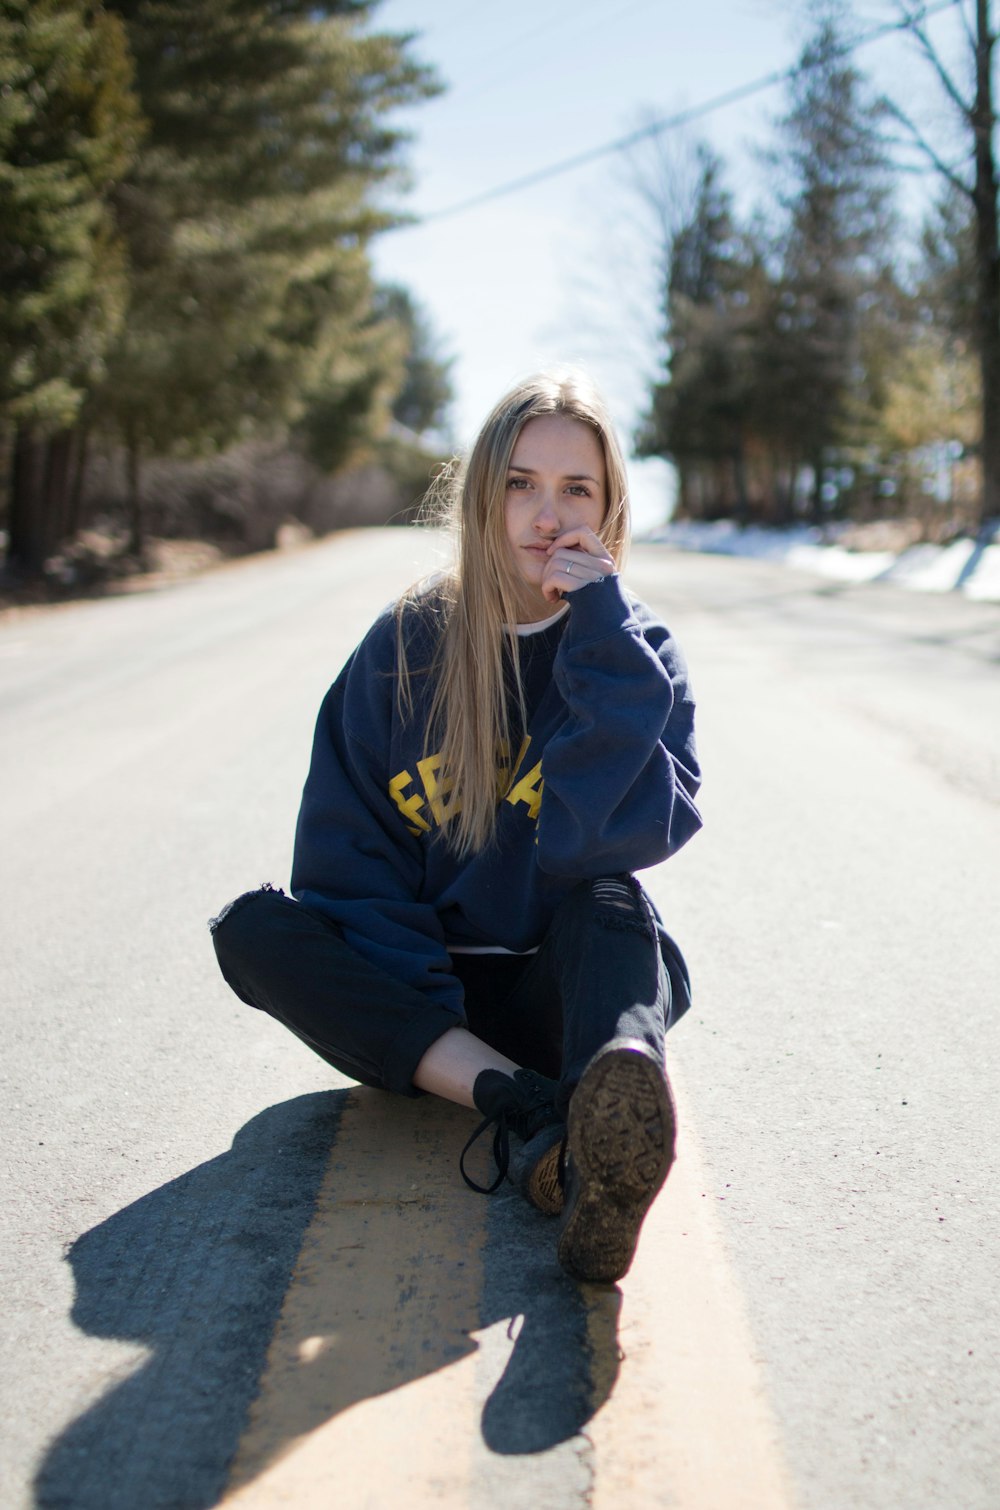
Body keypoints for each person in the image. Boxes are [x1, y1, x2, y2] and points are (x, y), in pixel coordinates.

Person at [210, 369, 702, 1284]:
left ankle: (612, 1107)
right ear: (484, 495)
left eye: (576, 489)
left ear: (610, 508)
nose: (546, 514)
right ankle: (530, 1109)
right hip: (422, 1014)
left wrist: (599, 632)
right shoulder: (404, 649)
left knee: (611, 898)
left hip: (561, 994)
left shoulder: (636, 653)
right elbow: (347, 870)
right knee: (252, 931)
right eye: (521, 483)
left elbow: (604, 841)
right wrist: (429, 1014)